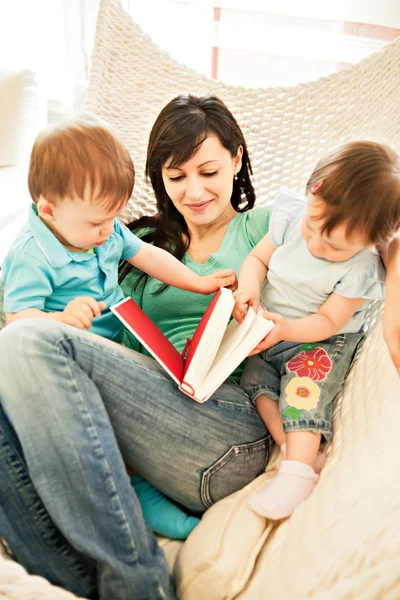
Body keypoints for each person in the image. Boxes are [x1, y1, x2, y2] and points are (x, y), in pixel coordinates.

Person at [0, 95, 399, 600]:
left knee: (26, 341)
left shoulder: (280, 225)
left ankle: (139, 585)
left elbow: (373, 226)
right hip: (135, 419)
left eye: (208, 170)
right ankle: (78, 583)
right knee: (9, 369)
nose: (194, 191)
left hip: (227, 421)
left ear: (236, 158)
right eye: (176, 176)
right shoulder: (128, 238)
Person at [233, 141, 400, 520]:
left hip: (321, 341)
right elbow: (258, 259)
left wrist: (287, 329)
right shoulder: (292, 217)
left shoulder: (360, 267)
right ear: (312, 193)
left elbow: (328, 321)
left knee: (301, 393)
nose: (315, 243)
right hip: (272, 332)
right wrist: (249, 288)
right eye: (313, 226)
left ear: (370, 243)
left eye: (334, 246)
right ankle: (296, 450)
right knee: (256, 386)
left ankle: (297, 473)